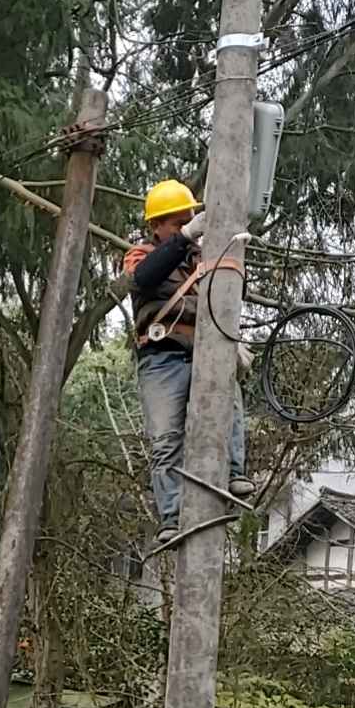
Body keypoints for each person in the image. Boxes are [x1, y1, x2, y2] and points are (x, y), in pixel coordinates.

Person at [124, 179, 249, 545]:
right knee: (166, 439)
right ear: (156, 226)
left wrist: (234, 342)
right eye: (177, 224)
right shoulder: (141, 256)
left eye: (189, 221)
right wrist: (184, 240)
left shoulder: (204, 261)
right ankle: (171, 516)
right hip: (161, 359)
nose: (187, 229)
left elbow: (227, 300)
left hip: (205, 353)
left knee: (229, 403)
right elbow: (144, 279)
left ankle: (235, 471)